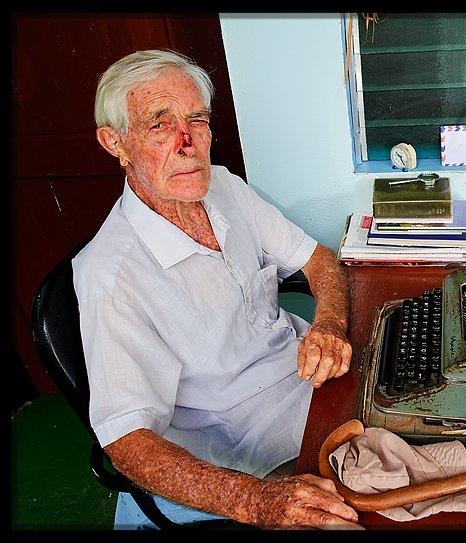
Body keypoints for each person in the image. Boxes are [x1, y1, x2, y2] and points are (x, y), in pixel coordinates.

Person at [72, 49, 361, 530]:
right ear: (115, 143)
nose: (187, 143)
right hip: (247, 454)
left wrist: (329, 324)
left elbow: (319, 260)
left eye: (197, 120)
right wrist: (255, 502)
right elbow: (125, 441)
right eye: (159, 126)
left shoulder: (222, 186)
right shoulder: (110, 275)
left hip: (312, 385)